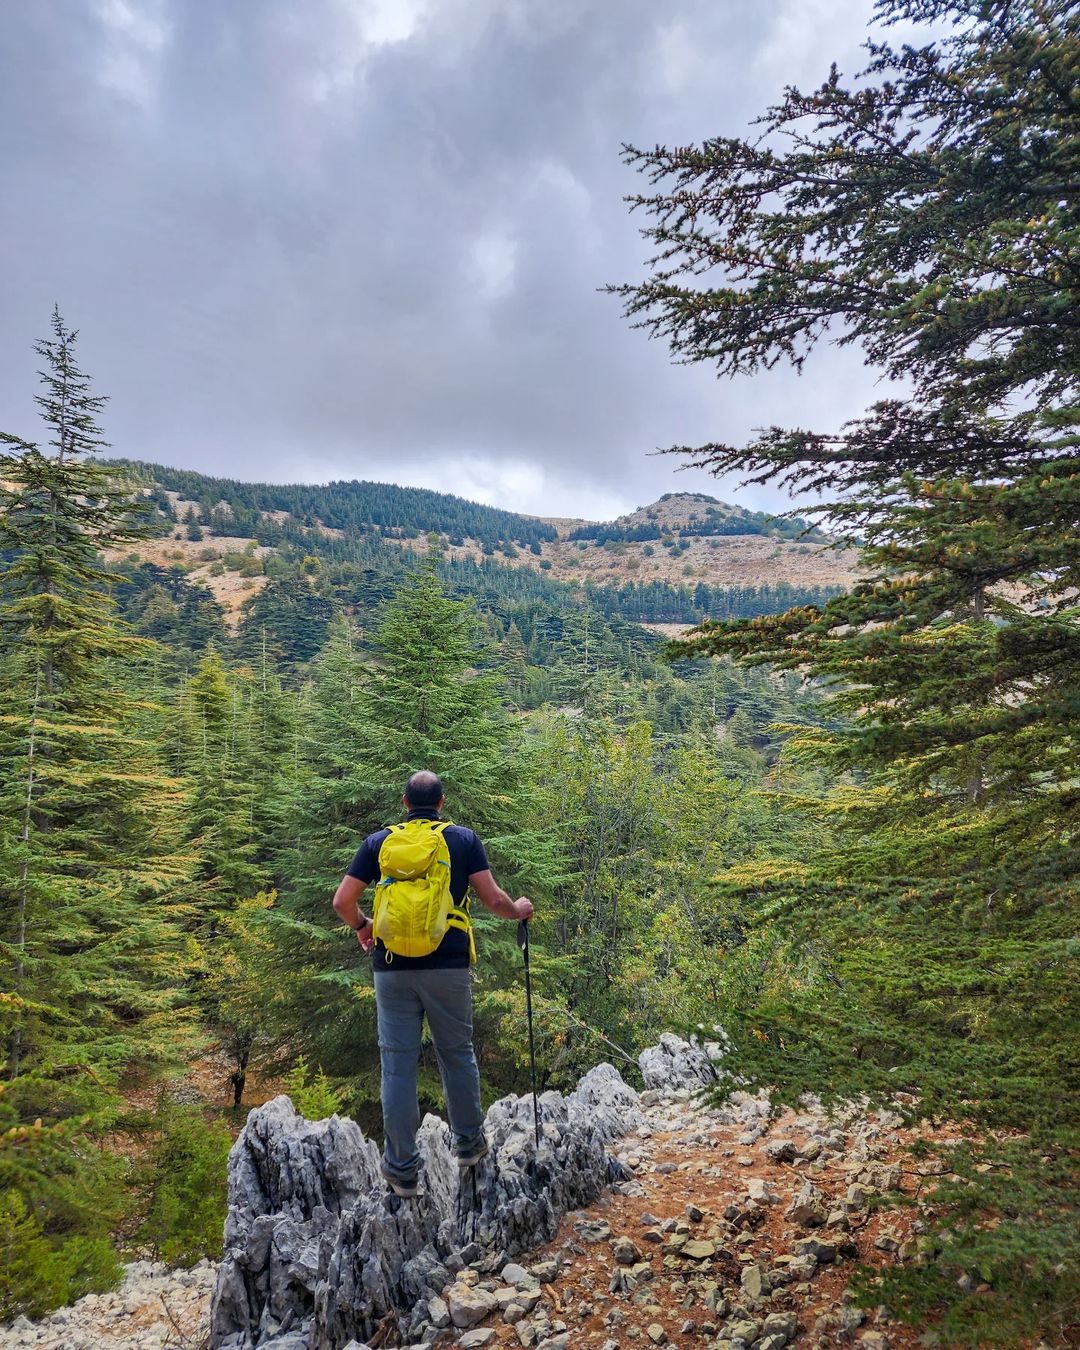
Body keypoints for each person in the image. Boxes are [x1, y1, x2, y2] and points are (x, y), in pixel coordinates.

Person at [332, 769, 534, 1197]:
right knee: (457, 1054)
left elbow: (342, 901)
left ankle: (402, 1169)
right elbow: (494, 900)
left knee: (397, 1064)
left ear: (404, 804)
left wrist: (364, 925)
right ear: (441, 803)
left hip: (391, 967)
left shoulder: (378, 843)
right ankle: (468, 1146)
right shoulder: (461, 840)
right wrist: (519, 909)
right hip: (448, 965)